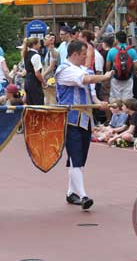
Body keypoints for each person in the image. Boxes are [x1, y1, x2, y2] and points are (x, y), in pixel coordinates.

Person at [55, 40, 111, 211]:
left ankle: (71, 193)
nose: (86, 58)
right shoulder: (63, 70)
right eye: (84, 55)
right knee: (75, 158)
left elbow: (91, 93)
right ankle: (83, 195)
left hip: (85, 119)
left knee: (78, 159)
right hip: (71, 119)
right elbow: (84, 80)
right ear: (74, 54)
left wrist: (100, 103)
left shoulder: (84, 69)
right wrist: (104, 77)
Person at [105, 30, 137, 101]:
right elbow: (136, 65)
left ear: (116, 40)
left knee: (115, 100)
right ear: (126, 39)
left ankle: (116, 112)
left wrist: (108, 76)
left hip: (115, 78)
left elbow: (108, 66)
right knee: (127, 100)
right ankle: (125, 111)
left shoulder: (112, 51)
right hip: (128, 78)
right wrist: (133, 73)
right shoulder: (132, 50)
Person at [20, 37, 44, 105]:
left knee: (30, 104)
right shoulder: (36, 56)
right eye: (39, 43)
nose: (40, 45)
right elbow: (37, 73)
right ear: (34, 45)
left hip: (27, 82)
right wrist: (44, 82)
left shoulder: (26, 54)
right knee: (38, 104)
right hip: (34, 83)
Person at [43, 33, 59, 104]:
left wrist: (42, 75)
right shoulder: (48, 52)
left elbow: (52, 66)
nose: (43, 41)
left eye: (45, 39)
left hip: (52, 79)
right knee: (48, 99)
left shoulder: (53, 51)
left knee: (52, 100)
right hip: (47, 78)